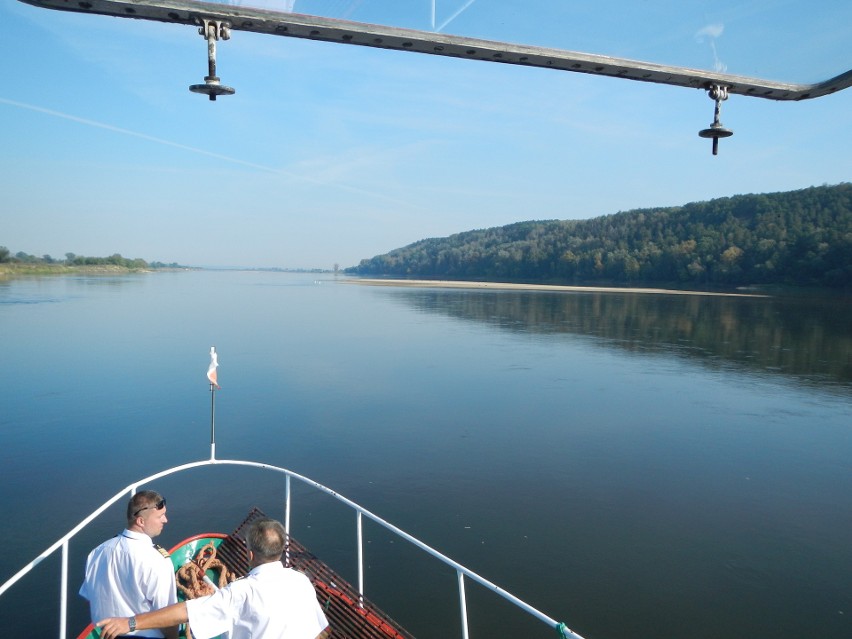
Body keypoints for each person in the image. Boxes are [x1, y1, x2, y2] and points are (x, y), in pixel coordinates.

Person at [95, 517, 330, 639]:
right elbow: (322, 630)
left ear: (249, 554)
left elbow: (186, 611)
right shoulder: (301, 581)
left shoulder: (242, 592)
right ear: (281, 551)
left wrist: (130, 623)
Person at [80, 490, 178, 639]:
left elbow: (90, 597)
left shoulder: (97, 552)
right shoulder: (158, 562)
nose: (165, 520)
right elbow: (168, 618)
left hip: (106, 634)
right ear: (140, 521)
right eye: (160, 516)